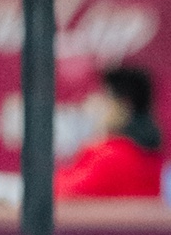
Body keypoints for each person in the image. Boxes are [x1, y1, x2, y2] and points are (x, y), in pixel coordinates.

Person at [53, 64, 163, 200]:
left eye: (102, 95)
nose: (91, 101)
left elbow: (55, 191)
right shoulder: (146, 152)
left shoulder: (113, 156)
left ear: (124, 104)